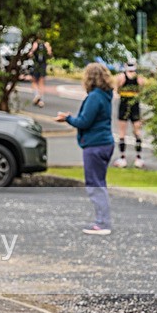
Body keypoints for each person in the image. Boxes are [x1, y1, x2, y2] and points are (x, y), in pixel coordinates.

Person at [55, 63, 115, 235]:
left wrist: (67, 118)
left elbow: (84, 121)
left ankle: (102, 223)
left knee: (95, 184)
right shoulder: (105, 95)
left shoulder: (95, 97)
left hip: (95, 145)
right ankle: (103, 220)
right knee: (100, 183)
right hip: (105, 143)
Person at [113, 61, 147, 168]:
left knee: (122, 132)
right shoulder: (139, 79)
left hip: (124, 105)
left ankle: (123, 158)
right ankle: (138, 158)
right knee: (137, 131)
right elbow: (142, 91)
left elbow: (116, 91)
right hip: (134, 106)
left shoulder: (120, 77)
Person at [29, 37, 53, 107]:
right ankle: (41, 99)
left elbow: (30, 54)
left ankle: (37, 95)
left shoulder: (36, 44)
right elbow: (50, 54)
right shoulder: (46, 44)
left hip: (37, 65)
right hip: (43, 65)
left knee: (34, 81)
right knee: (41, 82)